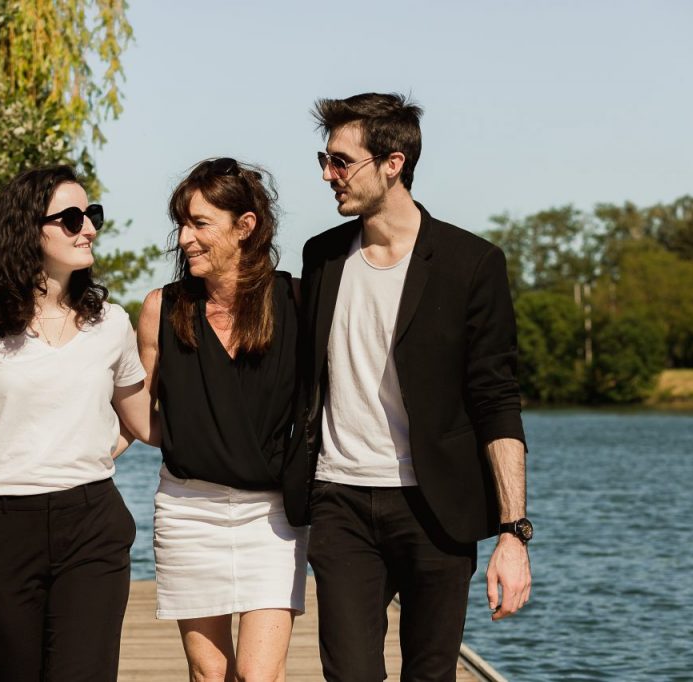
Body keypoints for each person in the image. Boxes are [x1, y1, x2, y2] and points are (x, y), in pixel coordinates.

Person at [282, 93, 533, 682]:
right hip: (339, 498)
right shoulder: (322, 257)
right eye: (325, 158)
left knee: (430, 672)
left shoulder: (471, 263)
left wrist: (513, 532)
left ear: (392, 164)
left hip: (435, 506)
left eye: (341, 162)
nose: (327, 174)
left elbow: (495, 401)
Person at [0, 165, 151, 682]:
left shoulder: (112, 324)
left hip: (92, 524)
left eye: (92, 215)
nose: (89, 228)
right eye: (72, 218)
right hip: (1, 529)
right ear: (30, 230)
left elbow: (142, 423)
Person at [136, 158, 307, 682]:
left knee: (258, 674)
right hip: (188, 512)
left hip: (272, 516)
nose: (185, 238)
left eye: (200, 223)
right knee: (210, 675)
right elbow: (137, 414)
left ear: (245, 226)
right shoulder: (161, 308)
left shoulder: (297, 301)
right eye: (182, 224)